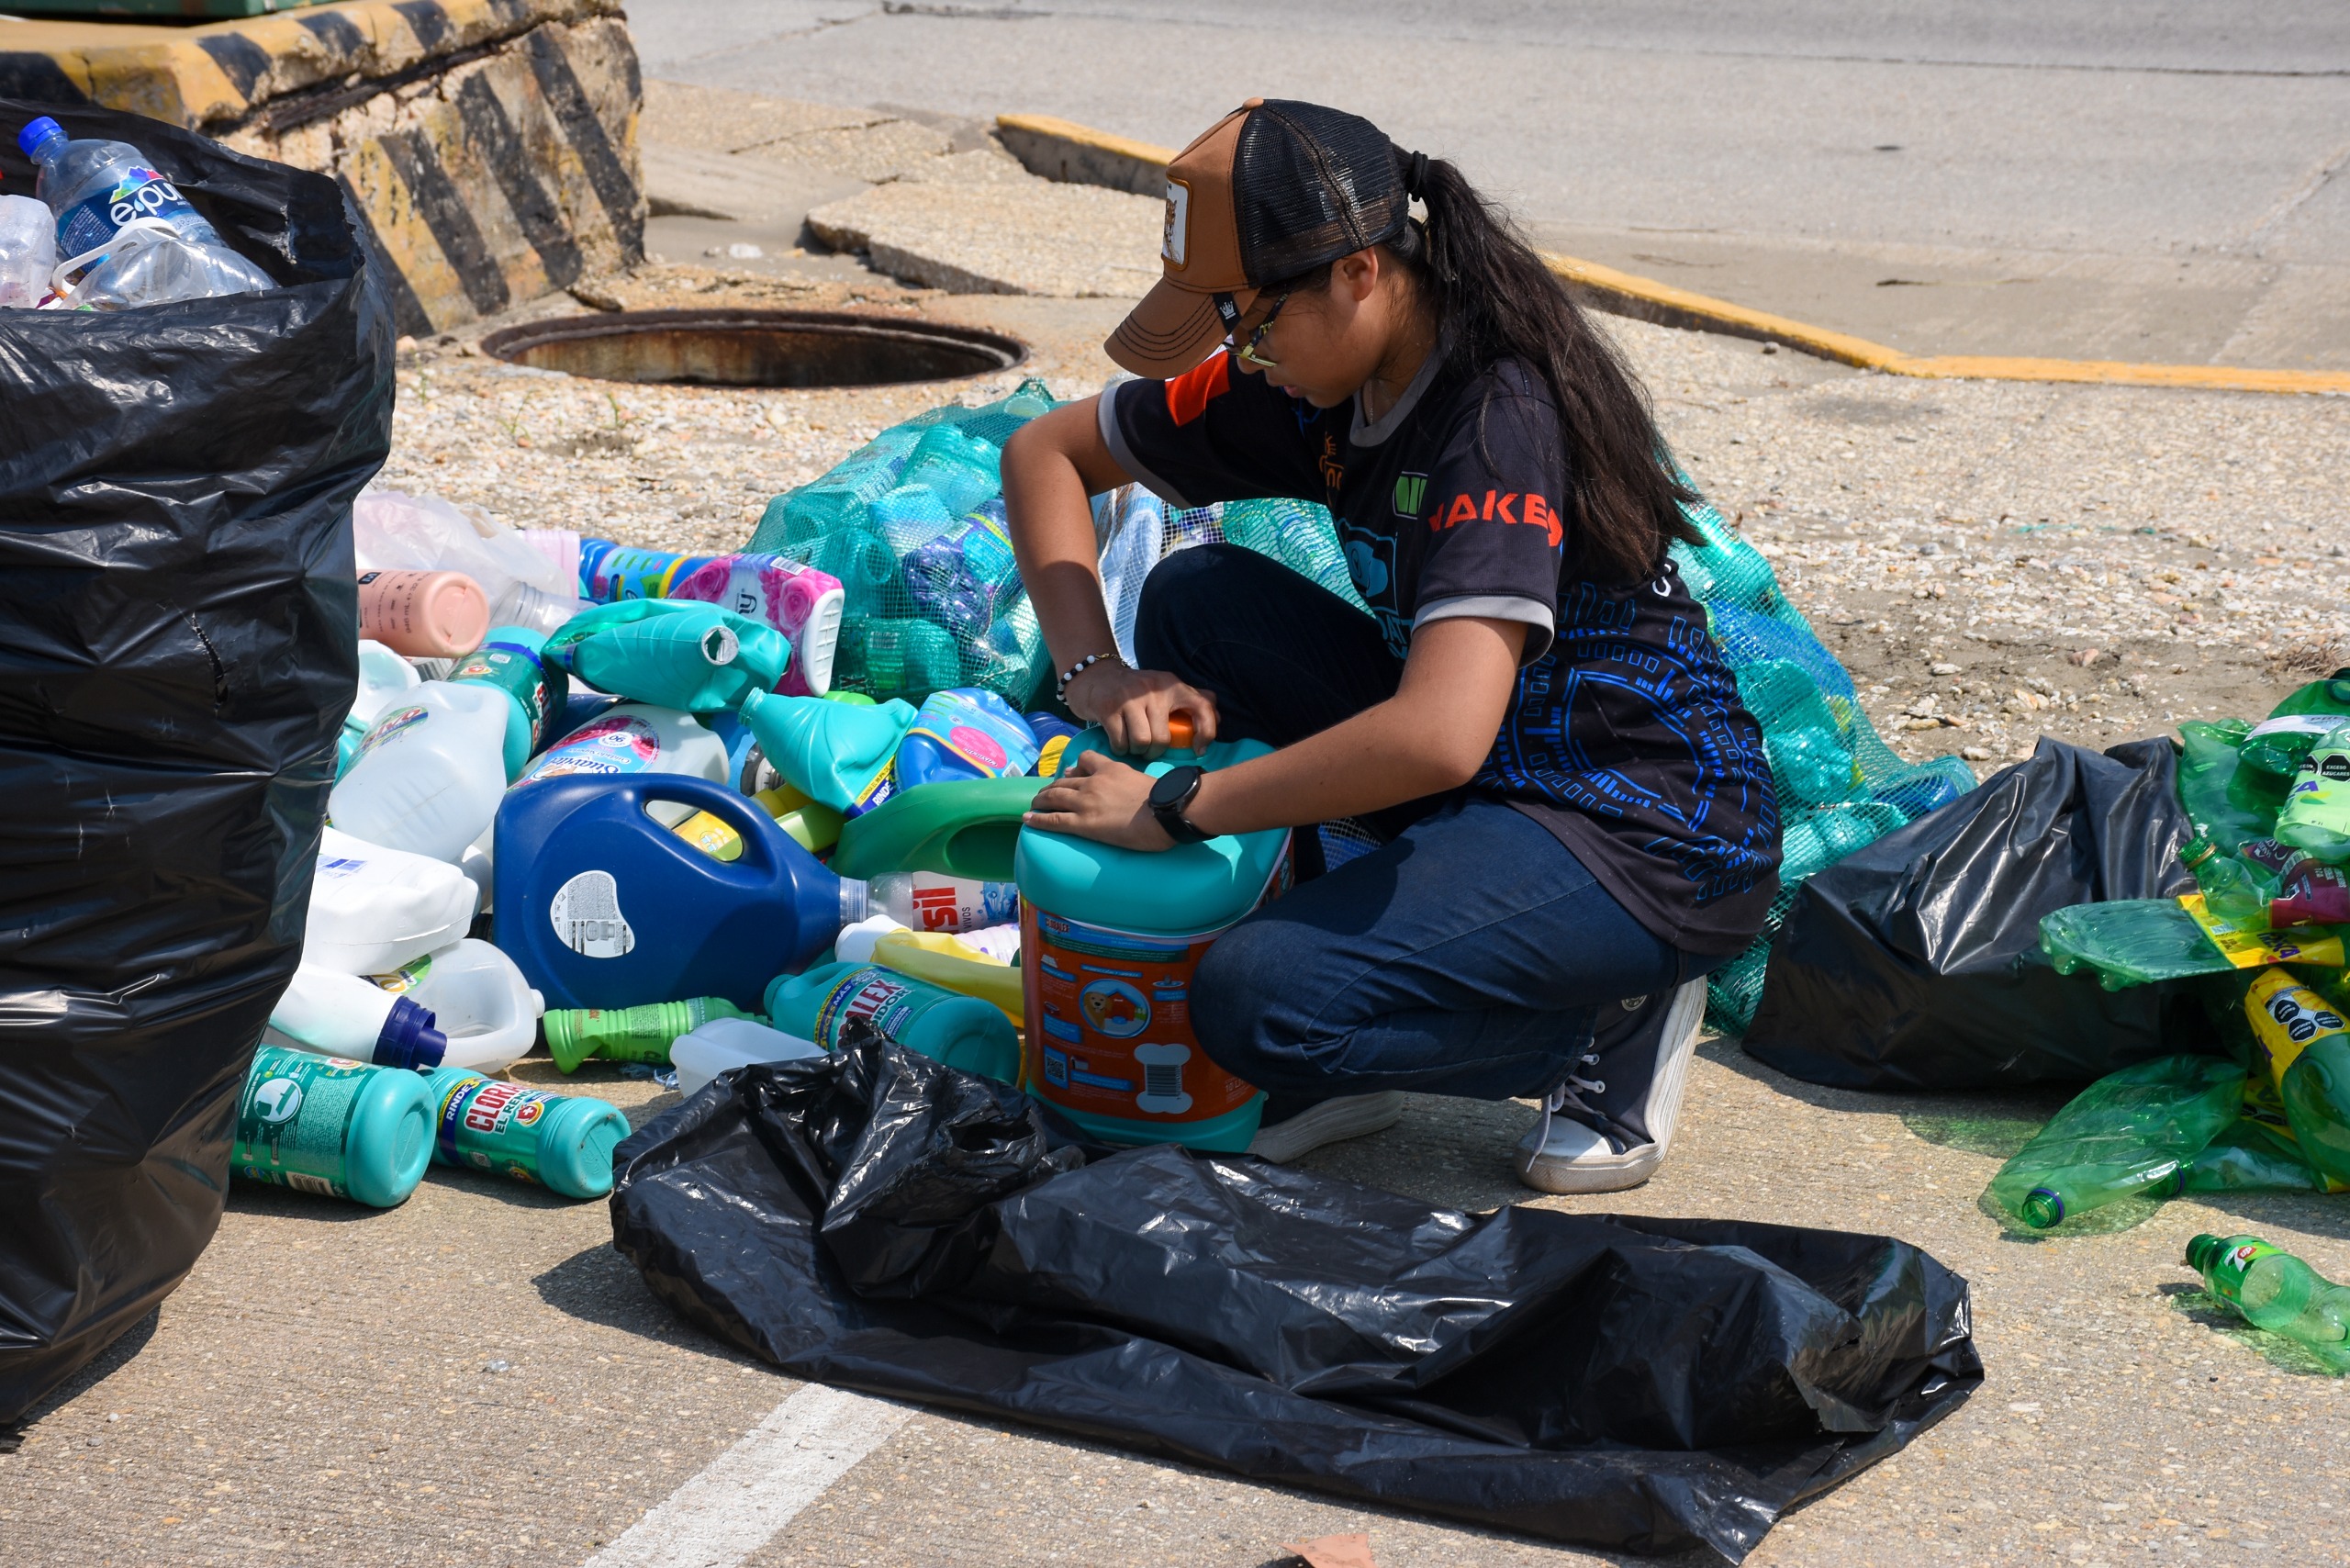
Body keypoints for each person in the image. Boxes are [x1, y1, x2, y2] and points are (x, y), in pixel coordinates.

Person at [1001, 99, 1780, 1193]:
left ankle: (1604, 1018)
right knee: (1195, 597)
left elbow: (1437, 736)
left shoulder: (1493, 421)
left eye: (1249, 324)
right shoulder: (1315, 371)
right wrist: (1098, 673)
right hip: (1495, 758)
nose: (1241, 356)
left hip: (1632, 824)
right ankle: (1367, 988)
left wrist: (1176, 806)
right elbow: (1046, 453)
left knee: (1249, 1000)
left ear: (1357, 272)